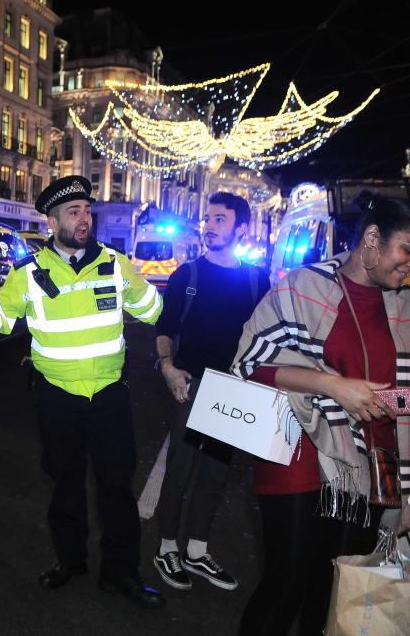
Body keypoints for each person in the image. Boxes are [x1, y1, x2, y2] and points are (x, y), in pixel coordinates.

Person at [0, 175, 166, 607]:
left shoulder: (115, 264)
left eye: (86, 211)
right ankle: (70, 560)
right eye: (73, 212)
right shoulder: (29, 273)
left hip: (109, 395)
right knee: (65, 484)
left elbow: (154, 310)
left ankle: (121, 572)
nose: (84, 219)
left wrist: (187, 299)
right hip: (58, 398)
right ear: (52, 220)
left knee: (117, 488)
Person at [231, 193, 410, 635]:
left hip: (373, 465)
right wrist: (333, 386)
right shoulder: (302, 286)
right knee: (286, 582)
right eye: (407, 250)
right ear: (372, 239)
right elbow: (249, 364)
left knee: (337, 586)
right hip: (298, 449)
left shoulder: (405, 305)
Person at [151, 192, 269, 592]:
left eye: (219, 220)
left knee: (215, 475)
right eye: (208, 219)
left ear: (240, 228)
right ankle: (167, 546)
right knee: (180, 471)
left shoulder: (256, 278)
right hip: (193, 385)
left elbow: (263, 337)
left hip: (234, 390)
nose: (209, 226)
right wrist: (167, 367)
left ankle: (196, 551)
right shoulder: (188, 274)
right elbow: (165, 326)